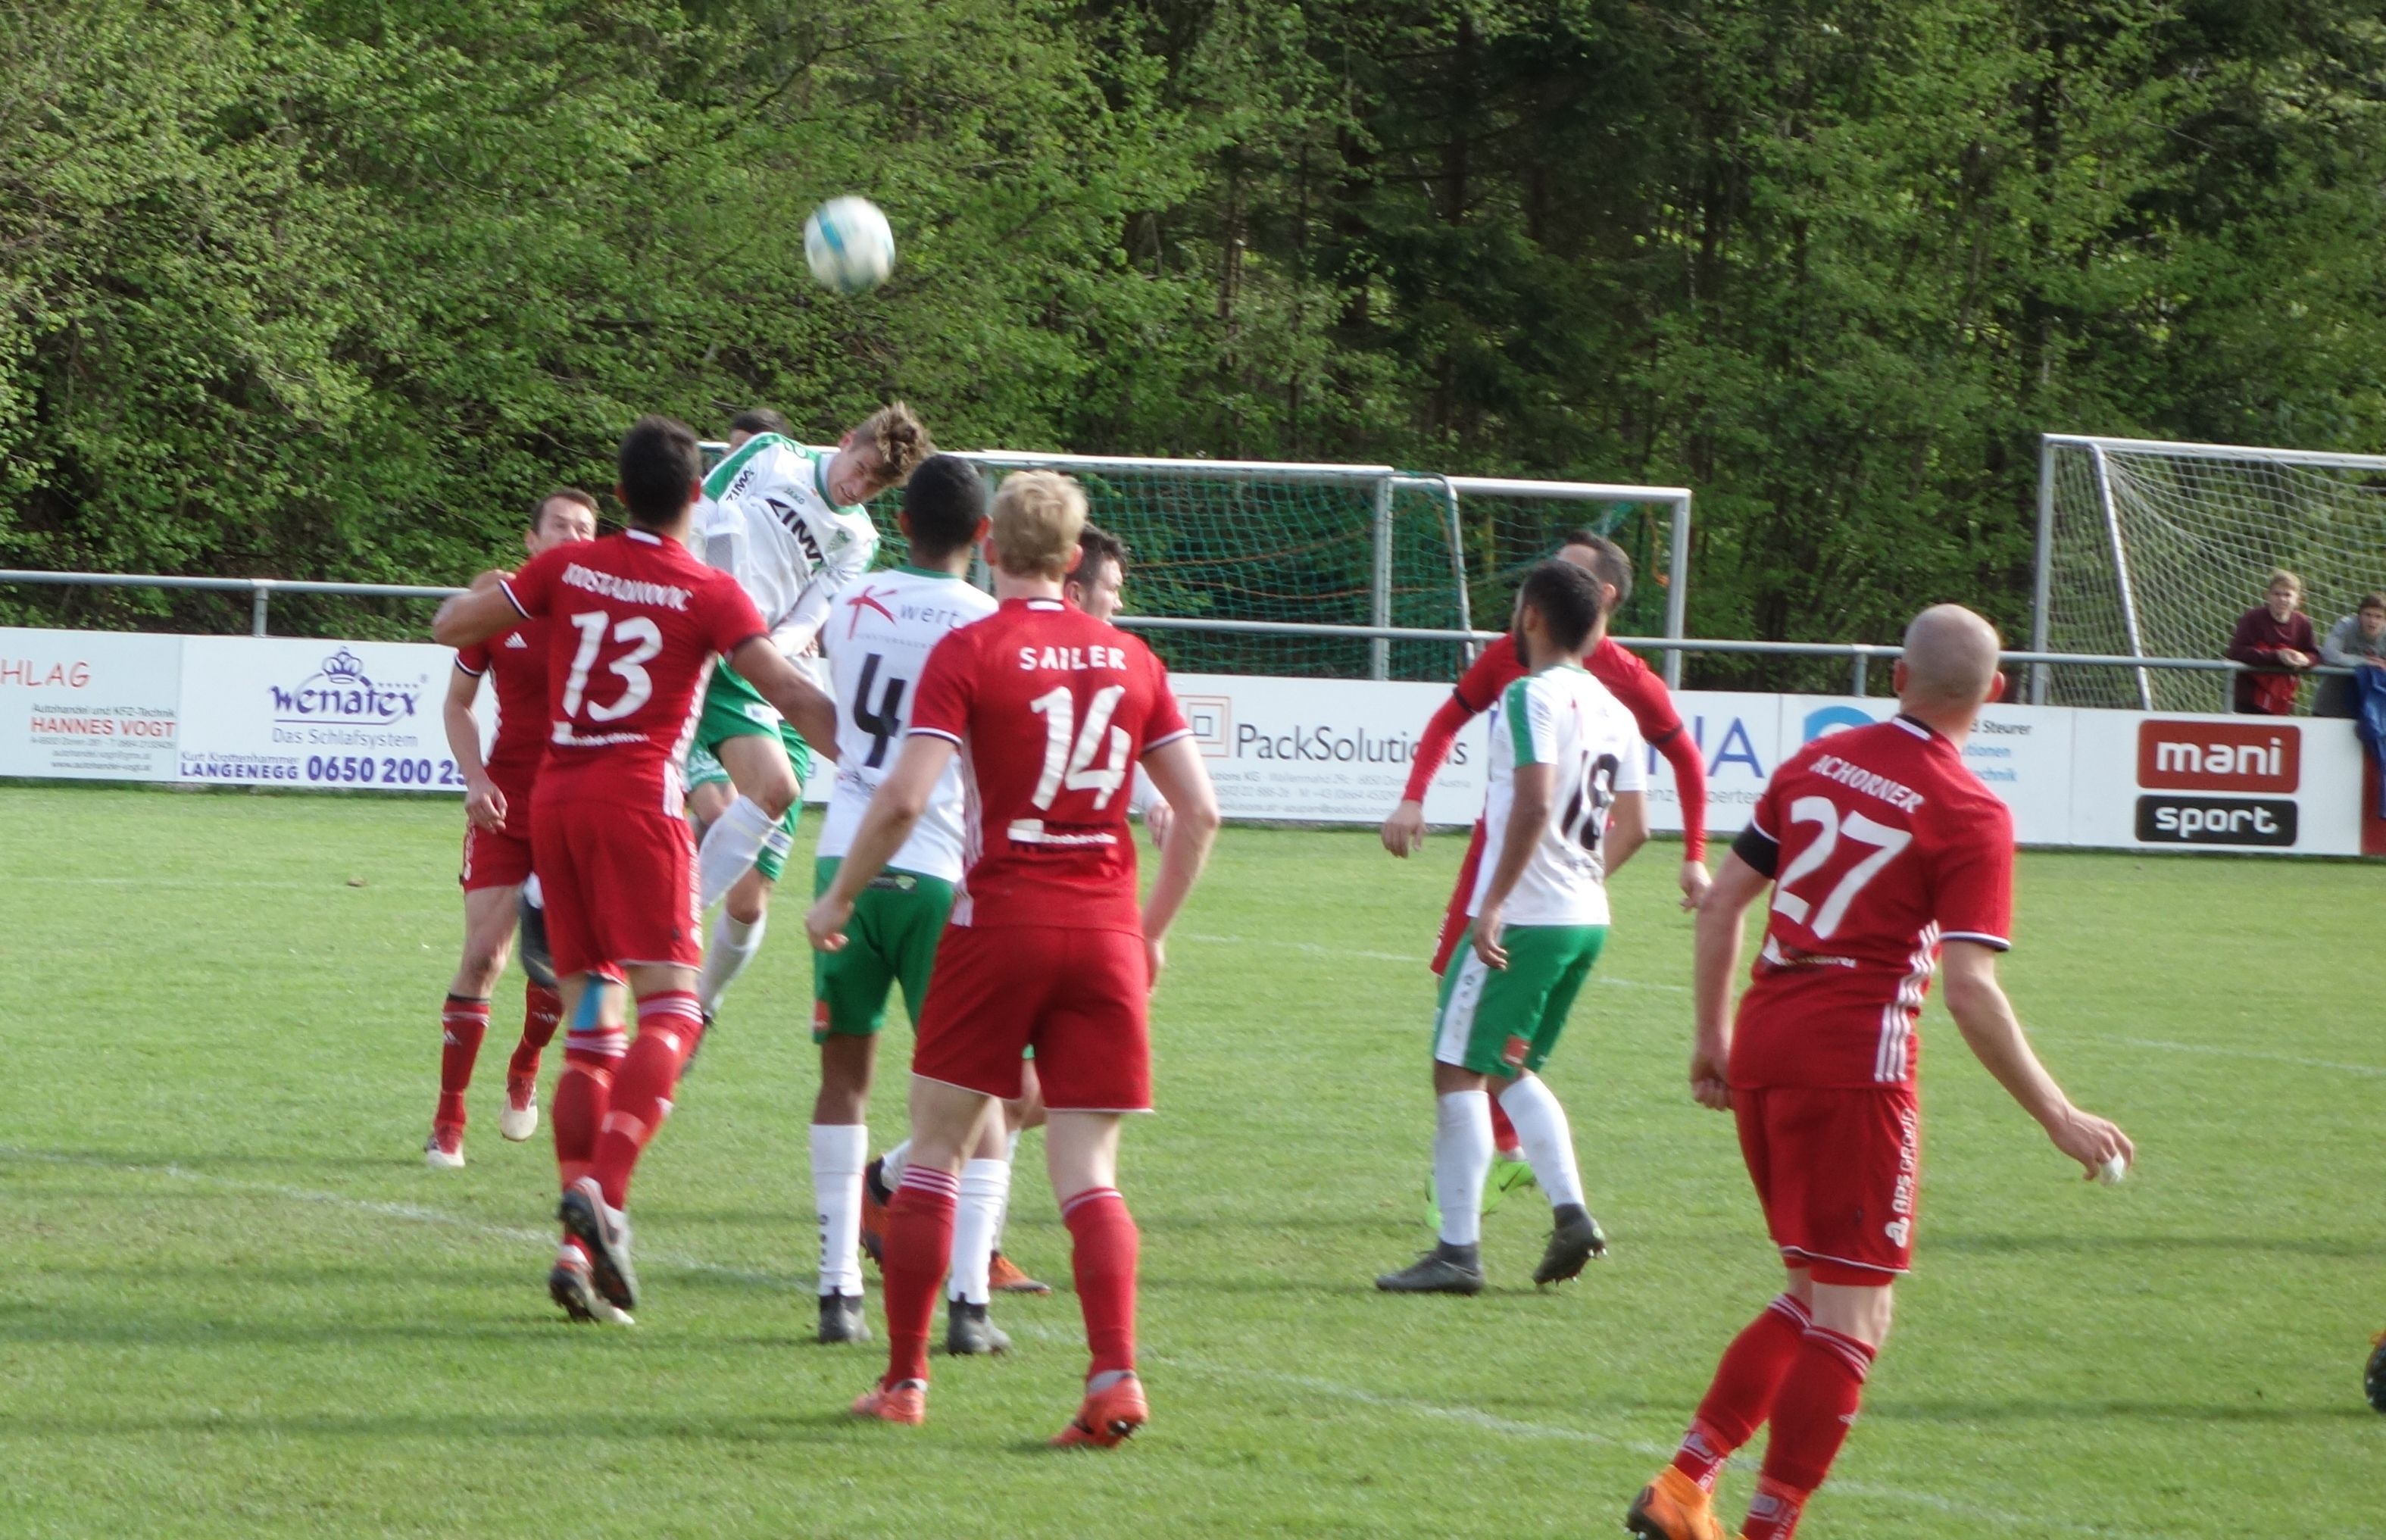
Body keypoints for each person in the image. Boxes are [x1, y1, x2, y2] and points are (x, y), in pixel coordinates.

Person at [1625, 604, 2133, 1540]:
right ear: (1997, 692)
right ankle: (1767, 1527)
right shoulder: (1972, 811)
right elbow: (1970, 989)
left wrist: (1710, 1037)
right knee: (1855, 1315)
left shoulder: (1814, 761)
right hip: (1855, 1066)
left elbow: (1724, 902)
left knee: (1812, 1294)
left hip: (1766, 1040)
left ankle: (1685, 1482)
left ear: (1898, 677)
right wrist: (2057, 1113)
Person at [807, 470, 1220, 1443]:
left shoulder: (971, 647)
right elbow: (1200, 812)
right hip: (1104, 930)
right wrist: (1152, 931)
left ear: (990, 546)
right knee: (1091, 1171)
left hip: (998, 919)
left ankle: (905, 1380)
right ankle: (1114, 1377)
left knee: (935, 1149)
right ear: (1075, 560)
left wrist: (840, 893)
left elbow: (905, 797)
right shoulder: (1132, 656)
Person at [433, 414, 841, 1325]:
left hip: (557, 807)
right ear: (698, 496)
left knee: (591, 1023)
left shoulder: (568, 568)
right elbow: (788, 690)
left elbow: (452, 624)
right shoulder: (710, 589)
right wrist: (879, 761)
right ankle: (604, 1194)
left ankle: (575, 1250)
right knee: (673, 1006)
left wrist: (494, 591)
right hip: (638, 807)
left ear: (618, 497)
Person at [1383, 533, 1710, 1217]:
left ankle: (1468, 1213)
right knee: (1473, 1012)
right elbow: (1448, 720)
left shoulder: (1609, 684)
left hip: (1525, 889)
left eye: (1564, 570)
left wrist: (1695, 853)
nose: (1549, 575)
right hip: (1518, 870)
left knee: (1464, 1045)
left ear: (1600, 595)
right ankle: (1514, 1167)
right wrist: (1415, 796)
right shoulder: (1523, 663)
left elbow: (1677, 766)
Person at [1375, 560, 1649, 1295]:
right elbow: (1637, 826)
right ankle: (1571, 1214)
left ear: (1531, 617)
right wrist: (1580, 879)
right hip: (1582, 918)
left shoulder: (1530, 694)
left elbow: (1532, 801)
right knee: (1506, 1067)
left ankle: (1457, 1251)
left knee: (1456, 1066)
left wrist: (1494, 901)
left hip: (1524, 916)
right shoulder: (1615, 708)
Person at [806, 454, 1010, 1350]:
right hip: (939, 866)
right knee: (974, 1086)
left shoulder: (853, 601)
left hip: (844, 857)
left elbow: (818, 689)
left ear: (902, 522)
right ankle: (969, 1302)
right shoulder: (987, 622)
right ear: (983, 535)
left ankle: (837, 1290)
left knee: (843, 1079)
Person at [683, 405, 931, 1024]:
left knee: (775, 794)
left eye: (874, 485)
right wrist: (710, 599)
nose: (858, 487)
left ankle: (676, 926)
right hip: (687, 633)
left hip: (747, 658)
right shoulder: (772, 454)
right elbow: (701, 511)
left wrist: (764, 647)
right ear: (845, 441)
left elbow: (811, 614)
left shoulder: (859, 538)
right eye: (860, 468)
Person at [424, 489, 598, 1168]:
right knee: (483, 958)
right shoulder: (499, 606)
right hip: (505, 805)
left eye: (584, 528)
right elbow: (458, 703)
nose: (573, 536)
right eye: (560, 525)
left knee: (553, 968)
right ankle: (449, 1119)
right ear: (532, 539)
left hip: (578, 809)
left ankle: (526, 1063)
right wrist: (475, 778)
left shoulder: (608, 612)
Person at [2227, 570, 2321, 715]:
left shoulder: (2303, 623)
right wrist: (2277, 656)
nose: (2282, 599)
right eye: (2277, 594)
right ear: (2268, 596)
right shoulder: (2252, 619)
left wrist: (2305, 660)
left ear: (2298, 600)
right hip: (2249, 701)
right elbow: (2236, 652)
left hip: (2283, 701)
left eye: (2287, 595)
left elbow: (2314, 654)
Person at [2314, 591, 2386, 717]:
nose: (2372, 621)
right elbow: (2329, 655)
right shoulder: (2346, 625)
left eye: (2378, 617)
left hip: (2371, 712)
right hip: (2330, 707)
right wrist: (2365, 661)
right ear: (2359, 616)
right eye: (2368, 615)